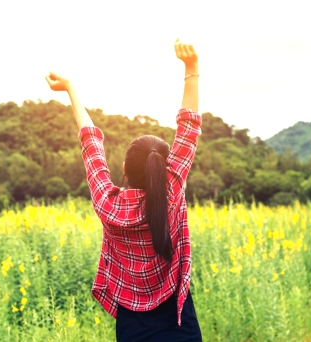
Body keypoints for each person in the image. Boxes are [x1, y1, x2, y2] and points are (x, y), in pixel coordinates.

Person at [45, 39, 202, 341]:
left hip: (132, 327)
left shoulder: (108, 203)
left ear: (126, 172)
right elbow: (189, 128)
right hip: (178, 320)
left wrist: (71, 90)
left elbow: (91, 144)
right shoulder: (172, 188)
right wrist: (191, 67)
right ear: (164, 167)